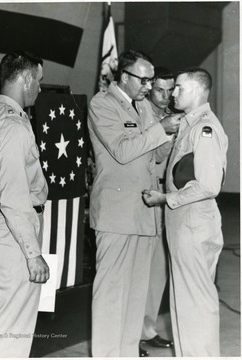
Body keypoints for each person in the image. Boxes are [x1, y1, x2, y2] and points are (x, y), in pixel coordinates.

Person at [87, 49, 181, 357]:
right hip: (116, 216)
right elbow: (123, 151)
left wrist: (169, 137)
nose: (149, 86)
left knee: (135, 297)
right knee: (111, 294)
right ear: (124, 77)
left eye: (151, 79)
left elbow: (153, 157)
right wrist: (159, 130)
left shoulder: (142, 106)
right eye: (144, 79)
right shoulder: (103, 104)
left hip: (144, 214)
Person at [143, 68, 228, 356]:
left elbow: (208, 185)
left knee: (195, 303)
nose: (173, 93)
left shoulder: (205, 128)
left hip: (193, 222)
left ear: (197, 90)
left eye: (179, 88)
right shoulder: (190, 124)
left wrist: (166, 198)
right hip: (185, 223)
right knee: (185, 302)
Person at [0, 51, 50, 358]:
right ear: (26, 78)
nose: (40, 89)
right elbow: (16, 197)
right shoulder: (14, 127)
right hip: (15, 237)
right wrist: (33, 254)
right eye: (39, 81)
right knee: (12, 335)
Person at [140, 67, 175, 352]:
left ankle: (147, 328)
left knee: (158, 269)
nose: (165, 96)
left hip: (168, 196)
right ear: (149, 88)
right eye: (159, 90)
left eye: (169, 91)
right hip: (147, 195)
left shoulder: (173, 117)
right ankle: (131, 333)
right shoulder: (141, 113)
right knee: (140, 268)